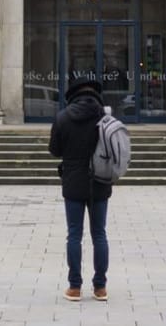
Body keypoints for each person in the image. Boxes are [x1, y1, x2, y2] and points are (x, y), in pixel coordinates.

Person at [48, 74, 112, 301]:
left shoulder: (63, 117)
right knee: (99, 234)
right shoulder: (104, 118)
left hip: (73, 181)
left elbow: (54, 150)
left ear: (73, 95)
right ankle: (100, 287)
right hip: (100, 181)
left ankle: (75, 287)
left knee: (74, 235)